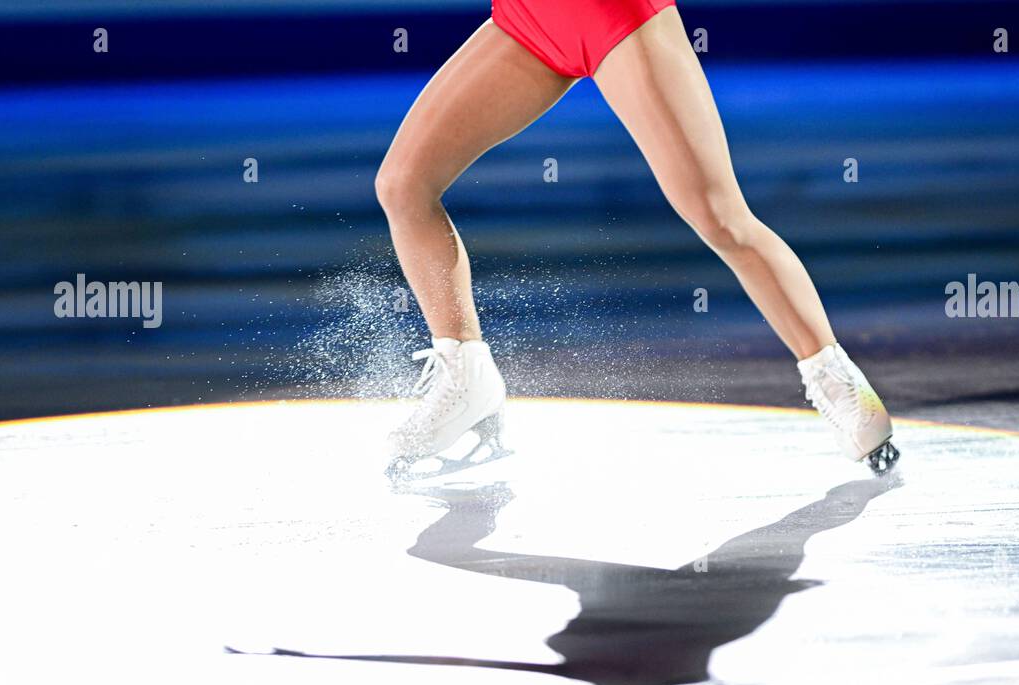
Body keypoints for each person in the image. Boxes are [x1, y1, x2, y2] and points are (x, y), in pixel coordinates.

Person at [377, 1, 898, 478]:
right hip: (532, 16)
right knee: (402, 186)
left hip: (617, 14)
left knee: (719, 217)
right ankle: (466, 376)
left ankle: (834, 376)